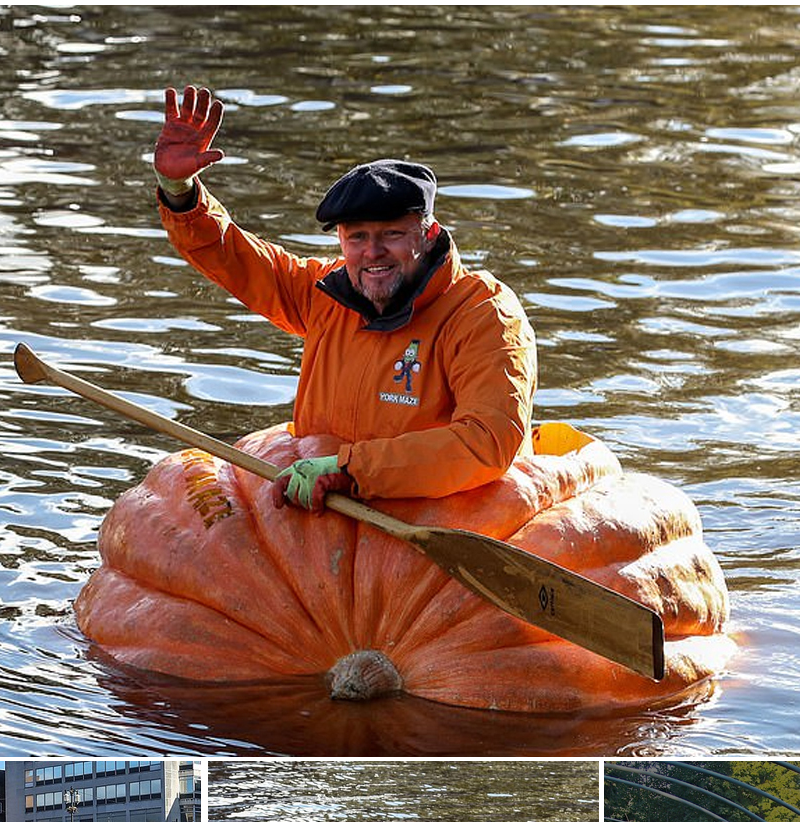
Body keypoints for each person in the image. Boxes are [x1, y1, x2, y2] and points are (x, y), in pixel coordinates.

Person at [153, 85, 538, 512]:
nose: (372, 253)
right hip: (324, 520)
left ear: (427, 235)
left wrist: (349, 470)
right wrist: (181, 191)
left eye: (391, 234)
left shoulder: (484, 314)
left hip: (438, 521)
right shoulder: (325, 291)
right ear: (341, 241)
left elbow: (485, 442)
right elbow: (236, 258)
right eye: (357, 237)